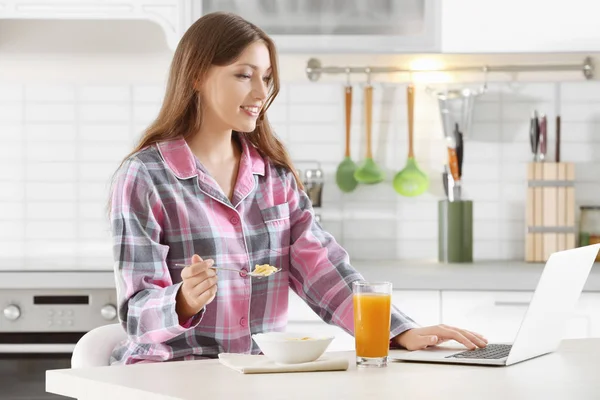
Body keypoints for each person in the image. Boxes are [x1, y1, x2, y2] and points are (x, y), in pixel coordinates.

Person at [108, 11, 487, 365]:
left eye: (267, 78)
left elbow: (323, 270)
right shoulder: (146, 177)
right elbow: (136, 313)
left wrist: (400, 330)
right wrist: (184, 300)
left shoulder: (274, 177)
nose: (261, 93)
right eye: (244, 75)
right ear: (197, 76)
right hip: (168, 378)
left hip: (256, 378)